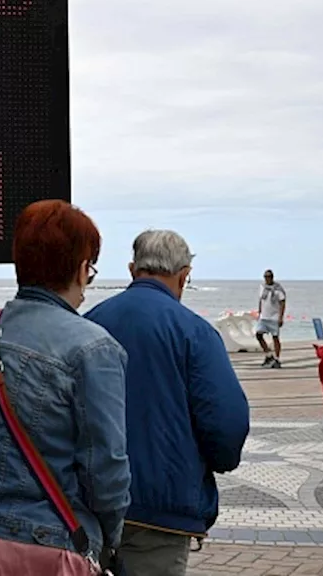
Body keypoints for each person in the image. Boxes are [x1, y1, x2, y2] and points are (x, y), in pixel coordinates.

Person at [0, 200, 130, 576]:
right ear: (82, 269)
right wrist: (108, 539)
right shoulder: (94, 348)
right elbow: (106, 471)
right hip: (39, 548)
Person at [85, 230, 249, 576]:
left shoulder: (90, 323)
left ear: (132, 270)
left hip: (88, 502)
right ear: (184, 276)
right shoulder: (195, 332)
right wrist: (217, 462)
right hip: (161, 508)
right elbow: (227, 421)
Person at [254, 269, 287, 368]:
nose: (267, 278)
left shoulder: (278, 289)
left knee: (275, 337)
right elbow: (261, 300)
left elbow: (282, 303)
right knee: (258, 335)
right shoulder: (262, 287)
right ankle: (269, 355)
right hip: (264, 316)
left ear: (272, 277)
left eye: (269, 277)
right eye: (265, 277)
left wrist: (281, 317)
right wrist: (259, 312)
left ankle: (277, 358)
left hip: (274, 317)